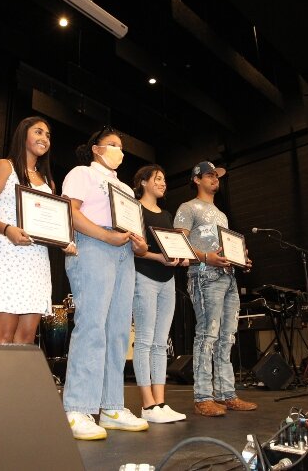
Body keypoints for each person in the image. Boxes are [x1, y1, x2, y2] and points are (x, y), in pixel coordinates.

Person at [61, 127, 149, 440]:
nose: (119, 151)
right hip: (94, 245)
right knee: (93, 326)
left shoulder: (124, 187)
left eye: (122, 147)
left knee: (119, 331)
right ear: (96, 148)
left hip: (124, 252)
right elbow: (70, 213)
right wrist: (106, 236)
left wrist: (138, 244)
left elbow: (134, 230)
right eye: (113, 145)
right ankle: (77, 408)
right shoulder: (82, 173)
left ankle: (112, 406)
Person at [0, 116, 75, 344]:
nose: (44, 138)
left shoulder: (48, 182)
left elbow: (51, 225)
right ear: (23, 135)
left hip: (36, 261)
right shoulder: (5, 167)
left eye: (48, 135)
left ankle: (17, 381)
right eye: (38, 132)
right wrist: (7, 229)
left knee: (27, 338)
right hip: (7, 254)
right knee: (4, 335)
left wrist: (63, 242)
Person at [174, 161, 256, 417]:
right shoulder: (188, 208)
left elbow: (225, 247)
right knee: (207, 335)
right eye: (209, 175)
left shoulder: (221, 214)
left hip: (228, 276)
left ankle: (226, 394)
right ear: (196, 179)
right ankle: (203, 397)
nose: (215, 179)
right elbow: (178, 242)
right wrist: (206, 257)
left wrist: (240, 258)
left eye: (217, 176)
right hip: (204, 275)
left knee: (227, 336)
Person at [131, 165, 186, 424]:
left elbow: (174, 246)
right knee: (144, 340)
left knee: (161, 342)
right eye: (158, 179)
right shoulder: (135, 210)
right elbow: (134, 249)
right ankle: (147, 404)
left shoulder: (166, 214)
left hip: (167, 281)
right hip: (145, 277)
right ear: (143, 182)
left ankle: (160, 402)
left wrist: (181, 258)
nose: (163, 183)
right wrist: (160, 258)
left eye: (164, 179)